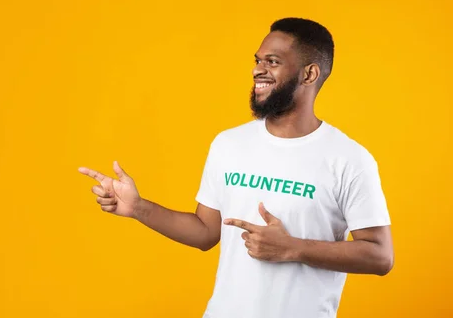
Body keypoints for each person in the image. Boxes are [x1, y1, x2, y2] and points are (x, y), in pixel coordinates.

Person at [78, 17, 393, 318]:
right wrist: (138, 208)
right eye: (257, 60)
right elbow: (205, 232)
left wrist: (293, 248)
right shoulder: (229, 144)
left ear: (309, 74)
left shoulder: (348, 159)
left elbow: (380, 256)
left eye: (272, 62)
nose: (258, 70)